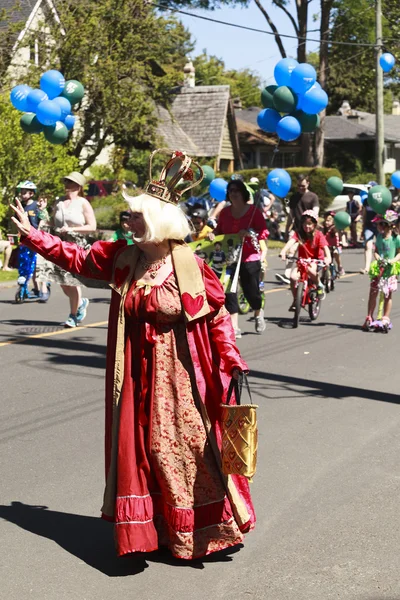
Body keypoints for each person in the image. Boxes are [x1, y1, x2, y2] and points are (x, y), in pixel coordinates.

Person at [11, 148, 255, 561]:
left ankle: (201, 530)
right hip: (137, 378)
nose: (128, 222)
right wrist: (34, 234)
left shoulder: (190, 266)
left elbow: (217, 319)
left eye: (136, 216)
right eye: (129, 216)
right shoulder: (123, 259)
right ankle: (156, 530)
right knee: (144, 451)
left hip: (182, 380)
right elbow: (77, 257)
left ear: (157, 221)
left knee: (186, 448)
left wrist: (230, 358)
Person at [212, 179, 268, 337]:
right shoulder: (225, 213)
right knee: (229, 291)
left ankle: (258, 312)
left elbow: (263, 232)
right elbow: (219, 230)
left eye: (236, 190)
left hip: (249, 257)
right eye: (230, 191)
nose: (233, 193)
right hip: (229, 257)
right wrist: (213, 234)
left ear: (243, 192)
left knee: (251, 292)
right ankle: (234, 326)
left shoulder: (253, 212)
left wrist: (249, 233)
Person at [50, 171, 97, 327]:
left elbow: (92, 226)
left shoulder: (83, 203)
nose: (66, 185)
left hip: (76, 246)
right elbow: (52, 222)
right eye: (66, 182)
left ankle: (73, 316)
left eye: (70, 182)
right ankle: (81, 303)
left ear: (78, 186)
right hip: (59, 245)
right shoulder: (59, 202)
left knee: (72, 281)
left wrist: (72, 230)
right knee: (63, 282)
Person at [280, 210, 331, 311]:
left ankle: (319, 285)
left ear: (314, 224)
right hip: (302, 261)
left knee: (311, 270)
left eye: (309, 224)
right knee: (293, 277)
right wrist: (283, 251)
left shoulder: (318, 235)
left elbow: (325, 248)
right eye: (304, 224)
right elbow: (291, 241)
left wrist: (328, 258)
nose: (307, 226)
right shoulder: (299, 234)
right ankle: (296, 300)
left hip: (315, 261)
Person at [276, 174, 319, 286]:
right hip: (296, 229)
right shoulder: (294, 197)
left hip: (308, 230)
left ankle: (303, 273)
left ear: (308, 184)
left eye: (303, 186)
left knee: (305, 253)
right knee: (291, 250)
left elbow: (316, 212)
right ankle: (287, 274)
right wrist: (287, 229)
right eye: (299, 186)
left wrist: (313, 226)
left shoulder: (313, 197)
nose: (301, 188)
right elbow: (291, 215)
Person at [362, 210, 400, 332]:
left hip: (390, 268)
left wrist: (392, 260)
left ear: (390, 225)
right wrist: (378, 258)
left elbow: (399, 253)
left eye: (382, 224)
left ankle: (385, 317)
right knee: (373, 292)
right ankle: (369, 316)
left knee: (388, 294)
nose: (379, 227)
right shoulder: (379, 237)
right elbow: (376, 251)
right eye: (379, 224)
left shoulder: (396, 238)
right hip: (379, 267)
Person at [360, 185, 378, 275]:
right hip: (369, 226)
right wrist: (363, 227)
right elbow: (364, 214)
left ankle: (381, 266)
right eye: (369, 190)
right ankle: (367, 267)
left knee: (381, 246)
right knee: (368, 245)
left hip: (379, 226)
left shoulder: (379, 200)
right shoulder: (366, 201)